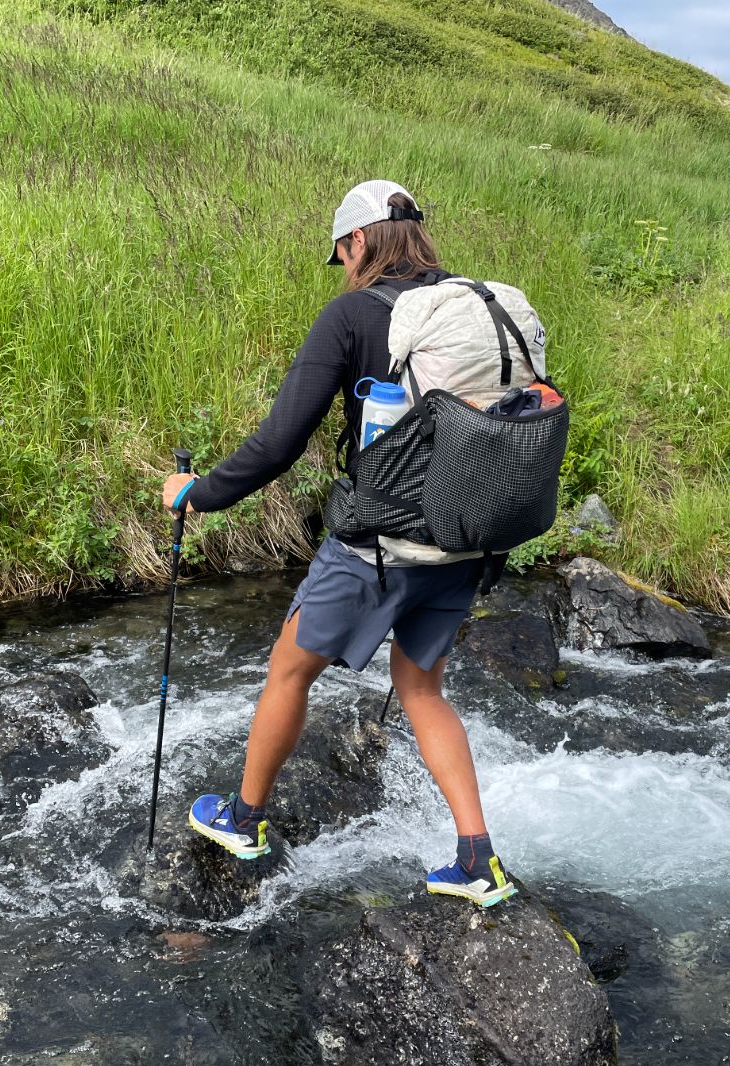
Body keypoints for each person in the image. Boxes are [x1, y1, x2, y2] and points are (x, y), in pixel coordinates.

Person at [161, 180, 516, 907]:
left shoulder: (353, 314)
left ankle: (245, 820)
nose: (344, 268)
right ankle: (478, 857)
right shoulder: (473, 308)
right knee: (421, 689)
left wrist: (198, 495)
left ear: (359, 242)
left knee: (290, 669)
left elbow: (279, 440)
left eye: (342, 253)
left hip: (376, 543)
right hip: (465, 538)